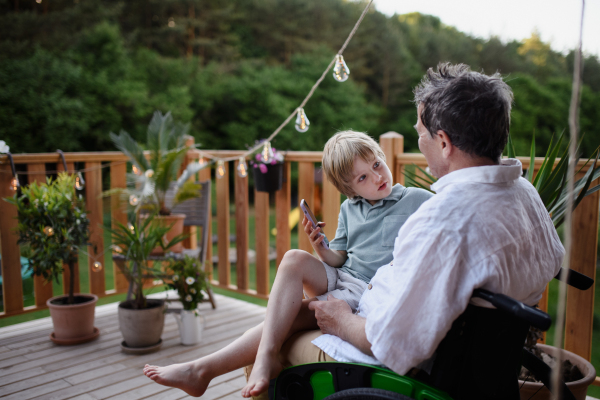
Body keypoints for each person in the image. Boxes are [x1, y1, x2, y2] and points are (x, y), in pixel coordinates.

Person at [304, 63, 565, 399]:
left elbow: (392, 345)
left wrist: (340, 321)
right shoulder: (523, 192)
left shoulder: (443, 222)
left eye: (420, 132)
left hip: (417, 373)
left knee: (281, 351)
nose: (418, 139)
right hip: (488, 370)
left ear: (443, 142)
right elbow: (554, 258)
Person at [143, 130, 433, 398]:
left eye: (377, 165)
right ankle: (237, 362)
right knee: (294, 257)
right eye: (362, 178)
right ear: (350, 190)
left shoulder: (415, 199)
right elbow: (340, 258)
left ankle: (204, 369)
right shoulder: (349, 208)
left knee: (295, 313)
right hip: (344, 275)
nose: (377, 176)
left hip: (367, 290)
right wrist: (321, 247)